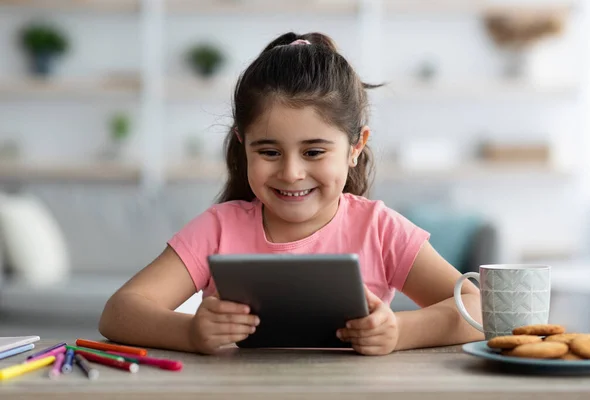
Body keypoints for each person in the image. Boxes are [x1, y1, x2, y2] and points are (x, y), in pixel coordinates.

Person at [99, 32, 483, 356]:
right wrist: (190, 332)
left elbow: (480, 309)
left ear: (355, 147)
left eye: (314, 152)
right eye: (268, 152)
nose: (291, 173)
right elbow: (119, 312)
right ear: (241, 143)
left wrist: (398, 331)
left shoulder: (378, 228)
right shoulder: (217, 229)